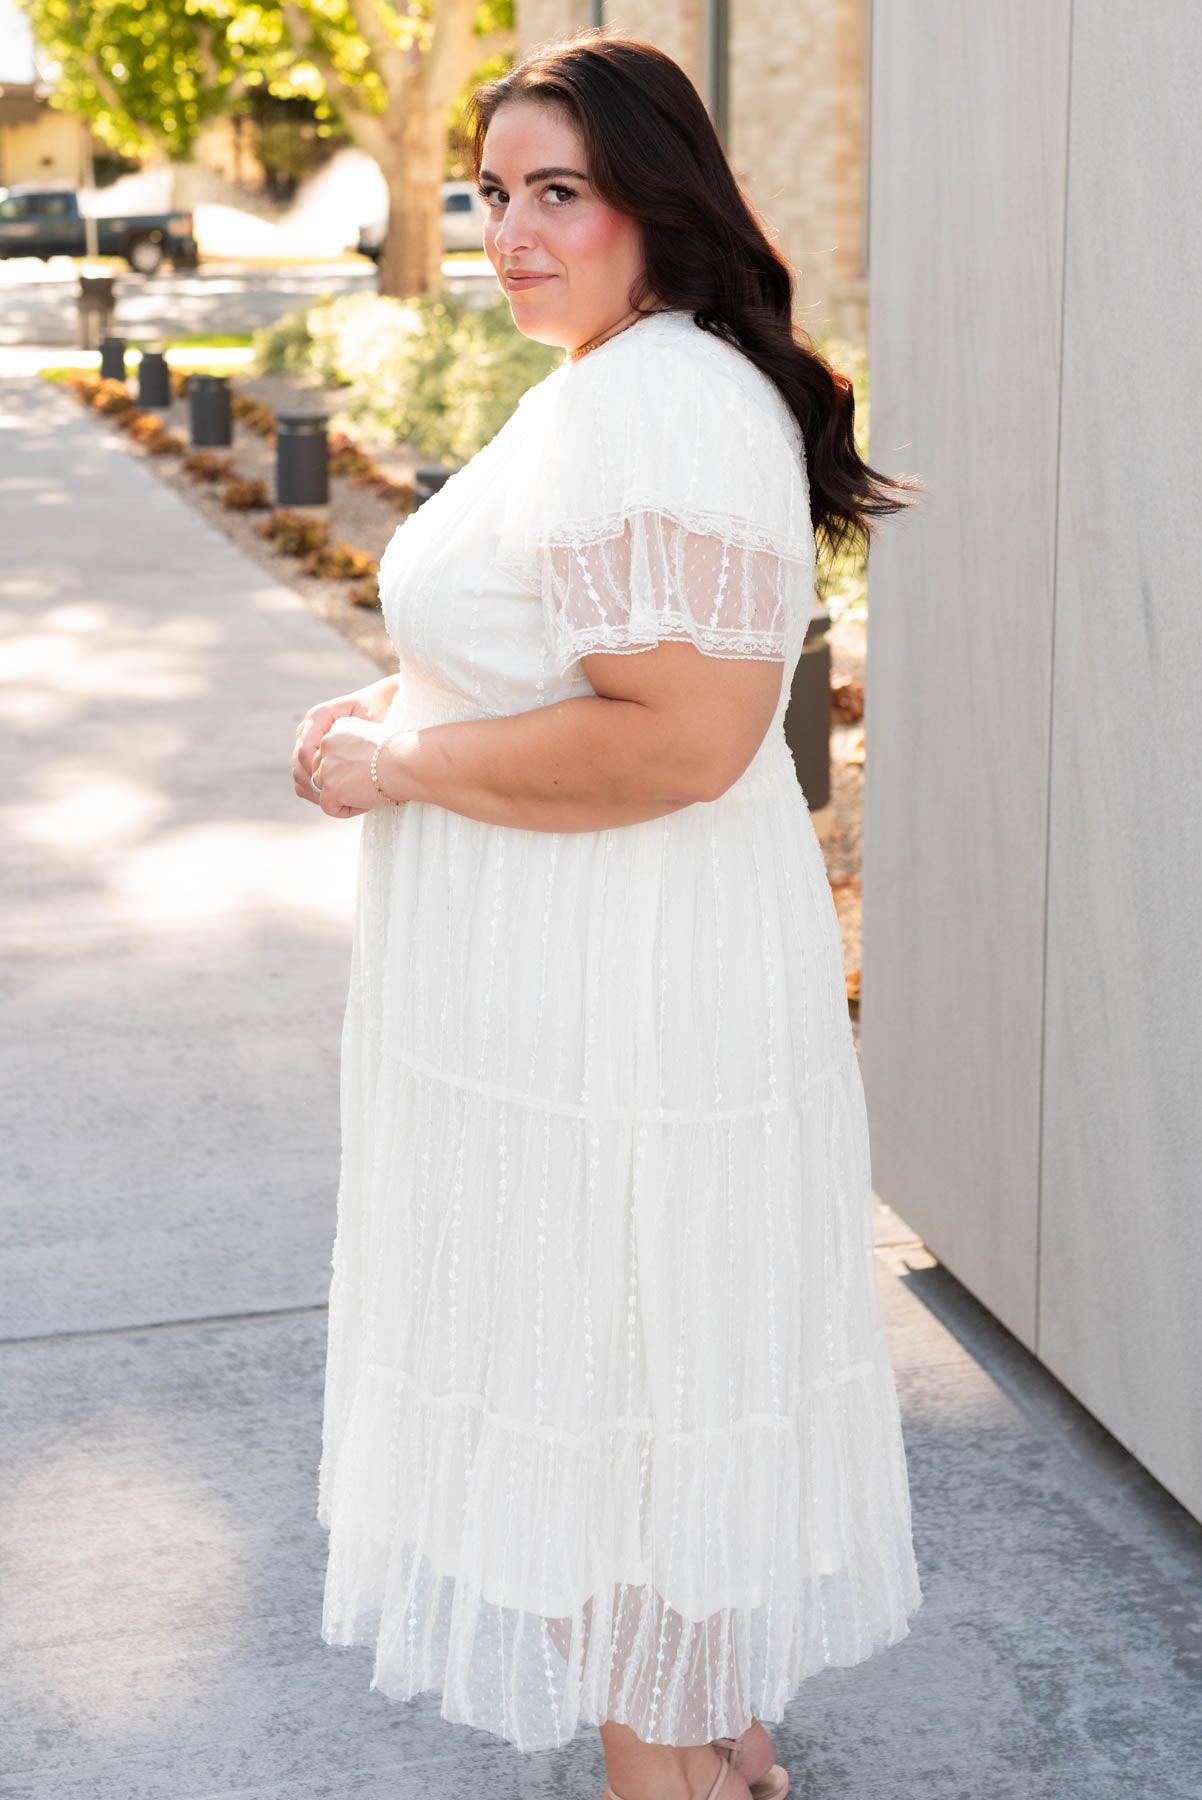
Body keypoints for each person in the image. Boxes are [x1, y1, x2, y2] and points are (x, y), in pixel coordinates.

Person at [291, 28, 922, 1800]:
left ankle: (673, 1778)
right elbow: (549, 654)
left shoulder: (655, 399)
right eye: (490, 194)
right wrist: (392, 716)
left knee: (611, 1389)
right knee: (625, 1369)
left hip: (611, 1003)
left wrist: (404, 771)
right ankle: (720, 1750)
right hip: (571, 990)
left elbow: (684, 740)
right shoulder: (608, 382)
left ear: (656, 200)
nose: (509, 233)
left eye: (554, 193)